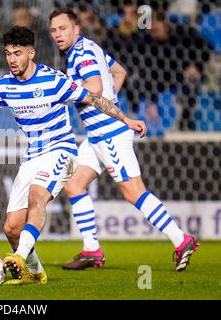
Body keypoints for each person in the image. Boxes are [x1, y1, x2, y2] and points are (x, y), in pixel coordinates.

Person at [0, 26, 147, 285]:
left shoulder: (53, 81)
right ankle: (34, 273)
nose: (11, 59)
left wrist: (125, 118)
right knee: (11, 227)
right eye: (8, 53)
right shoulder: (4, 87)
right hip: (33, 156)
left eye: (17, 53)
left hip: (62, 151)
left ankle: (19, 256)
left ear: (31, 53)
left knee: (37, 196)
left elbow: (94, 98)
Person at [49, 8, 199, 272]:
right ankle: (92, 250)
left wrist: (65, 95)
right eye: (53, 30)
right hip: (96, 135)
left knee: (133, 192)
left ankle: (181, 239)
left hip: (108, 134)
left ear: (76, 29)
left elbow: (94, 88)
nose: (57, 34)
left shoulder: (81, 54)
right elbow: (120, 72)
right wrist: (110, 102)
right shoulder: (88, 47)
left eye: (62, 28)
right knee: (74, 185)